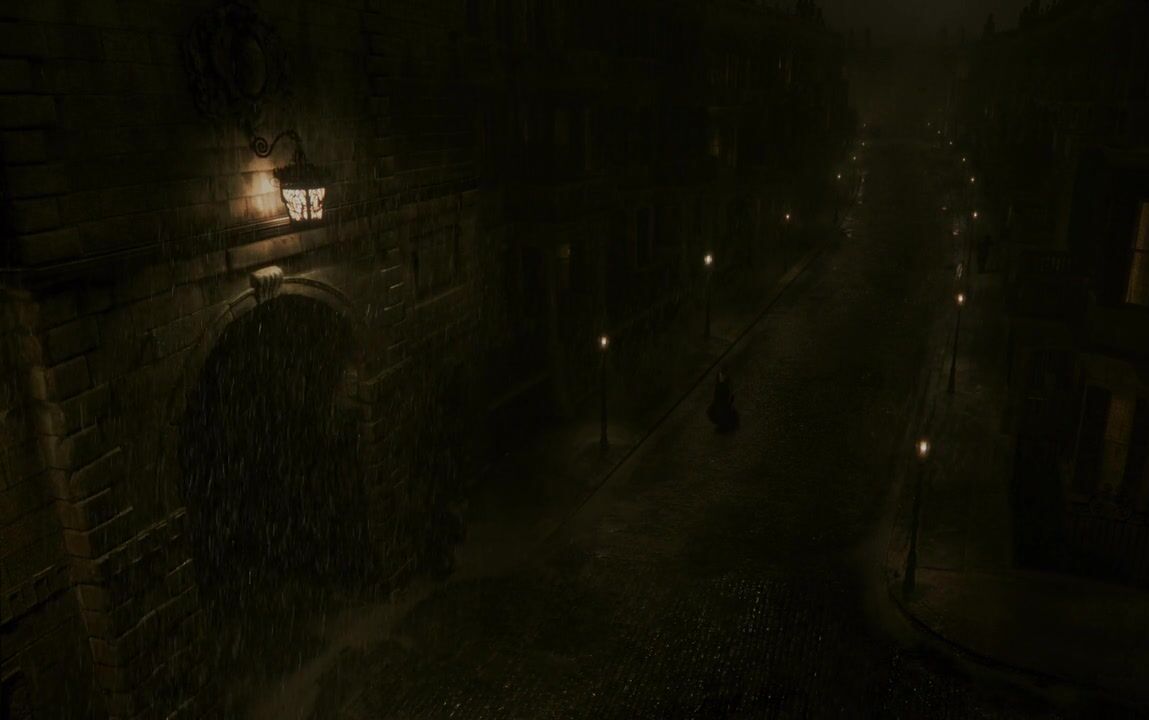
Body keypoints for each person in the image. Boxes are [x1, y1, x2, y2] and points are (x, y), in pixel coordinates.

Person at [708, 368, 739, 432]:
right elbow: (716, 395)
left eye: (722, 376)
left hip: (724, 403)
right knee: (714, 412)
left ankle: (725, 425)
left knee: (723, 413)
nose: (721, 378)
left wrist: (729, 402)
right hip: (719, 403)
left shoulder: (726, 385)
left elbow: (730, 395)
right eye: (720, 376)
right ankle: (723, 424)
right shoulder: (718, 385)